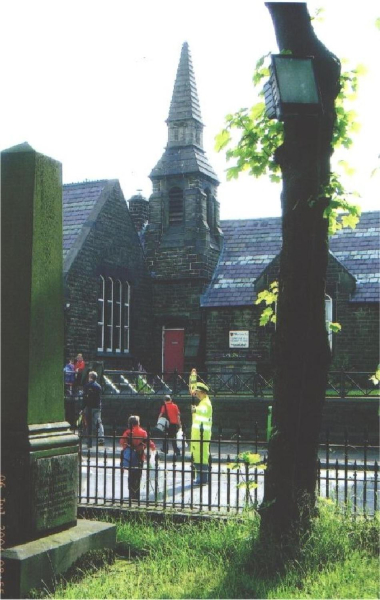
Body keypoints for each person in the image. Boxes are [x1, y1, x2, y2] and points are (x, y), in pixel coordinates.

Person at [119, 415, 156, 501]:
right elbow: (150, 444)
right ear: (138, 423)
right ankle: (136, 495)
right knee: (138, 477)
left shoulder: (127, 432)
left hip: (130, 458)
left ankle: (131, 495)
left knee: (131, 477)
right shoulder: (143, 432)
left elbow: (122, 442)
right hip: (140, 457)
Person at [191, 382, 212, 485]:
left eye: (198, 393)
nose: (197, 394)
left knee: (202, 456)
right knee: (198, 455)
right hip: (198, 434)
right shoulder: (203, 402)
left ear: (203, 393)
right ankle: (200, 478)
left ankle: (202, 479)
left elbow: (203, 411)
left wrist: (195, 410)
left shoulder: (206, 403)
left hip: (202, 435)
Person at [83, 370, 104, 448]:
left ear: (90, 377)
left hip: (89, 407)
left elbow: (84, 398)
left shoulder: (86, 386)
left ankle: (89, 441)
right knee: (98, 422)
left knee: (89, 424)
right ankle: (101, 439)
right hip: (97, 407)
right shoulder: (98, 387)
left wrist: (82, 407)